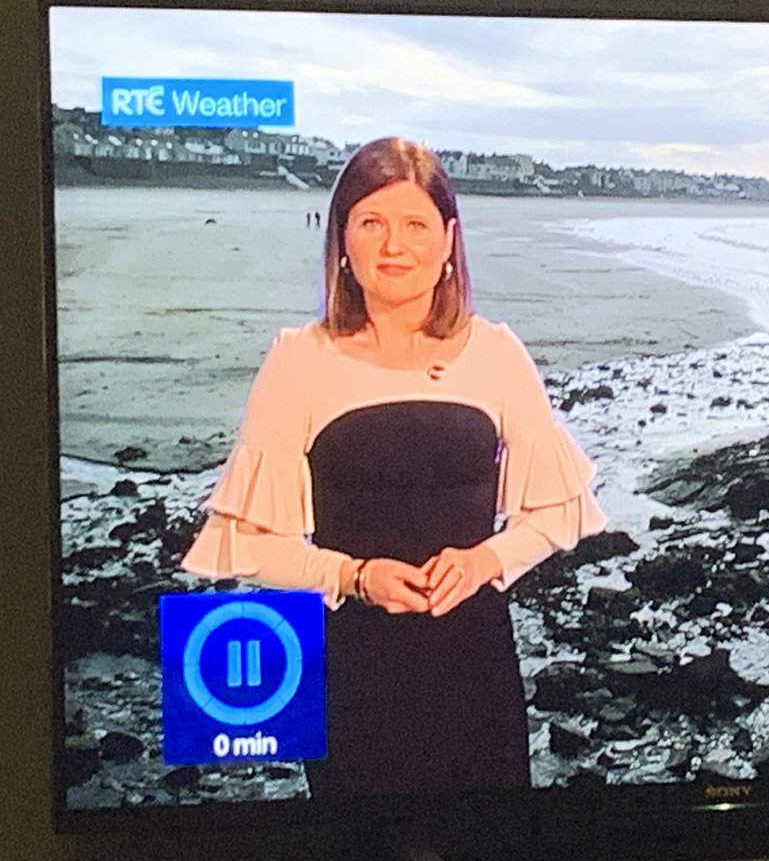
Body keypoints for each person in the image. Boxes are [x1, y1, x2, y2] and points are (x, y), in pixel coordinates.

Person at [181, 137, 606, 799]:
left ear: (448, 240)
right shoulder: (298, 359)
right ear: (342, 239)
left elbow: (558, 512)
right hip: (351, 664)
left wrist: (486, 561)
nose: (393, 246)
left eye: (415, 225)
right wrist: (352, 576)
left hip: (475, 662)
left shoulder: (497, 353)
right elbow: (247, 544)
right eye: (371, 223)